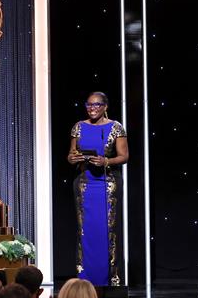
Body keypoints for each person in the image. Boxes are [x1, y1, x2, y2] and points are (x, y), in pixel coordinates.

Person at [66, 92, 129, 286]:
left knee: (108, 229)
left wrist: (106, 161)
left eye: (97, 105)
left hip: (107, 184)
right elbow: (70, 154)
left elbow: (124, 156)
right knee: (85, 230)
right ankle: (84, 279)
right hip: (84, 185)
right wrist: (72, 158)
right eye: (89, 105)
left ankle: (110, 278)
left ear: (105, 107)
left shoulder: (116, 127)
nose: (92, 108)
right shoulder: (78, 127)